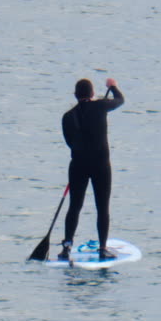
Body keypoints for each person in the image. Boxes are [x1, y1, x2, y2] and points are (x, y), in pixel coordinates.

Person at [60, 77, 124, 261]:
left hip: (78, 166)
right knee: (102, 207)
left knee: (74, 206)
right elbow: (120, 100)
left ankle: (66, 247)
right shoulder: (101, 106)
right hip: (100, 166)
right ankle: (102, 248)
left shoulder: (68, 116)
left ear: (75, 95)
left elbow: (70, 143)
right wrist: (113, 87)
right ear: (92, 93)